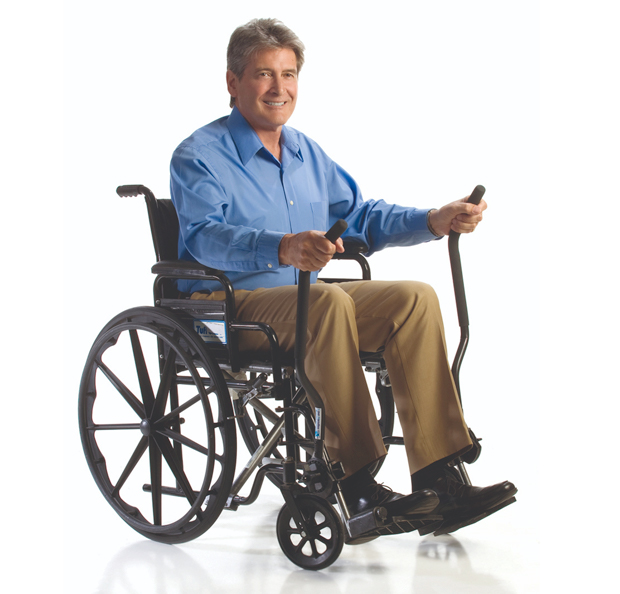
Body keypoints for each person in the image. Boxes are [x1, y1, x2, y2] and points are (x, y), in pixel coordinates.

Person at [170, 17, 516, 537]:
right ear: (232, 81)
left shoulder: (306, 153)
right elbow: (203, 236)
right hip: (225, 306)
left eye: (289, 74)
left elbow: (360, 217)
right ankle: (356, 484)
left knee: (414, 298)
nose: (279, 88)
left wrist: (432, 220)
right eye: (264, 74)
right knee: (328, 305)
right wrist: (283, 245)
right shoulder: (198, 155)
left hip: (302, 298)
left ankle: (440, 477)